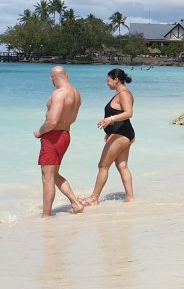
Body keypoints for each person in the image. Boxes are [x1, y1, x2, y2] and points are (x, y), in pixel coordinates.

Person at [33, 66, 85, 217]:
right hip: (65, 135)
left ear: (52, 78)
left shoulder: (59, 93)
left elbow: (53, 121)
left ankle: (46, 216)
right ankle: (76, 204)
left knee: (47, 178)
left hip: (53, 136)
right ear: (66, 75)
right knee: (54, 175)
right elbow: (73, 118)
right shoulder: (76, 93)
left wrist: (39, 132)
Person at [80, 68, 135, 206]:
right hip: (122, 133)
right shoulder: (121, 94)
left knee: (103, 166)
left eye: (108, 80)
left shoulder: (124, 94)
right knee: (122, 166)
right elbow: (121, 113)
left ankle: (94, 198)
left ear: (116, 80)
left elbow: (129, 113)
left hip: (122, 134)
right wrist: (109, 132)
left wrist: (110, 119)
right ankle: (130, 198)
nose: (107, 83)